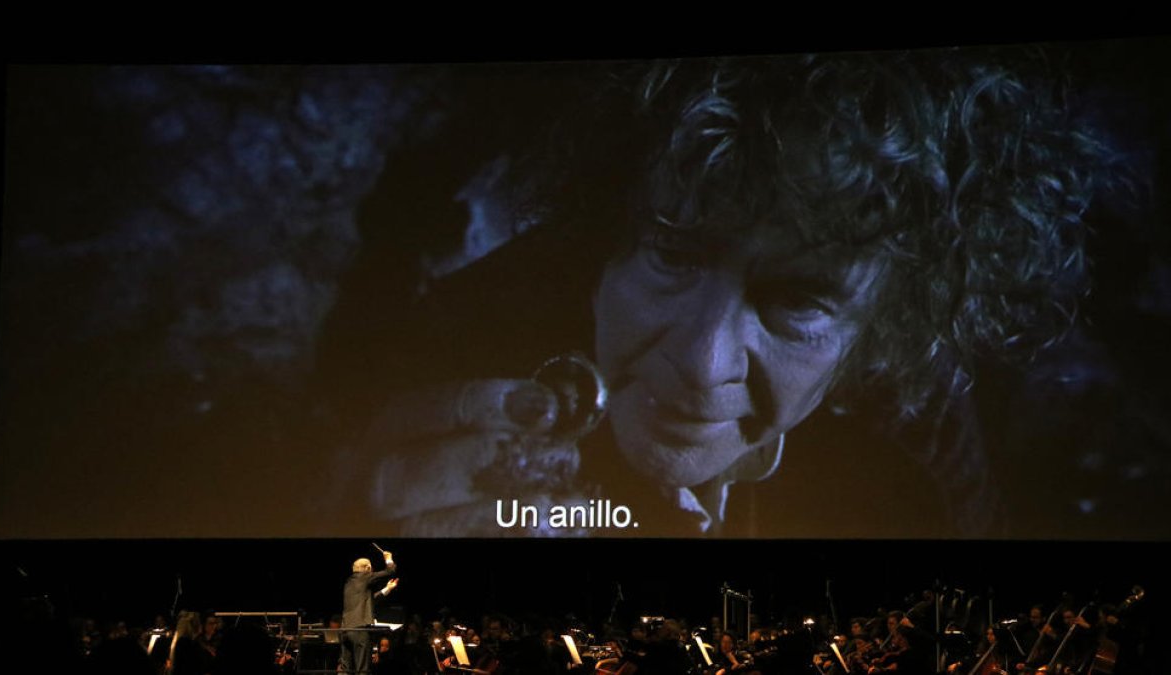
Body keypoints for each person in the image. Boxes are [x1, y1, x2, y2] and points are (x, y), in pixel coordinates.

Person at [318, 47, 1131, 538]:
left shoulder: (918, 434)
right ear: (607, 232)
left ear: (887, 320)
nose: (703, 366)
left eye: (799, 302)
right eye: (671, 254)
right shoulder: (448, 342)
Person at [341, 549, 399, 675]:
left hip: (345, 630)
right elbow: (390, 571)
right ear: (367, 568)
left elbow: (369, 600)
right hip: (359, 630)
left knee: (345, 670)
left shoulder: (349, 582)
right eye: (371, 568)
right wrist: (388, 558)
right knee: (362, 669)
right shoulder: (365, 576)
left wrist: (387, 589)